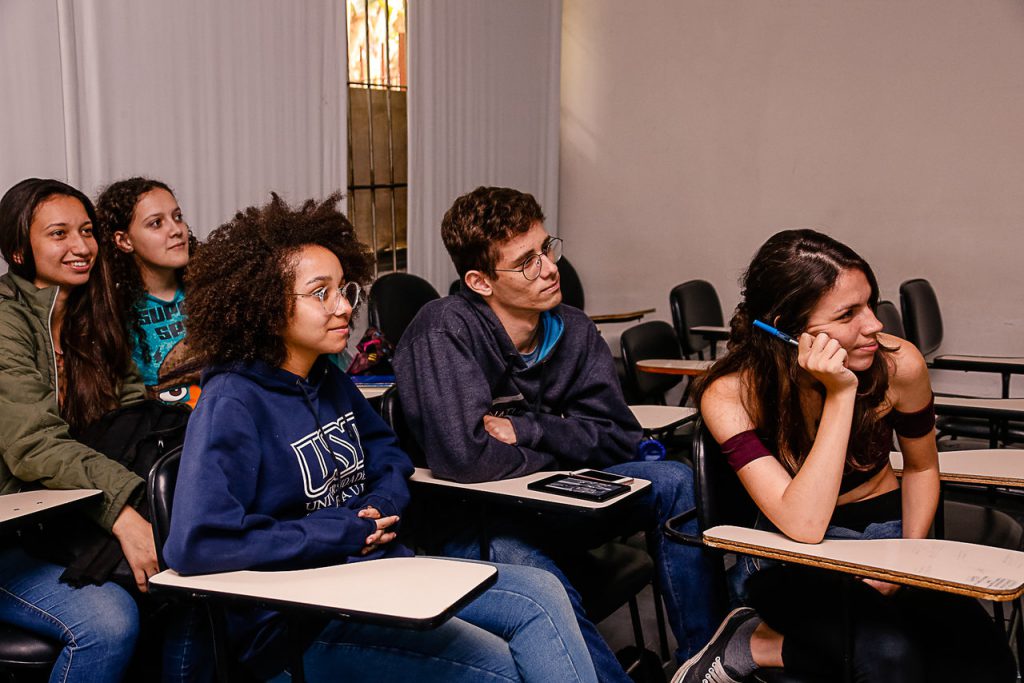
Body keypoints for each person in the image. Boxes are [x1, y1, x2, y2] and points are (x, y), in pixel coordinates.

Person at [163, 193, 598, 683]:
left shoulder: (327, 378)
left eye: (344, 289)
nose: (345, 306)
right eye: (320, 293)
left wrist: (382, 500)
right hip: (298, 626)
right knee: (500, 669)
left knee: (539, 593)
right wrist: (344, 530)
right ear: (266, 305)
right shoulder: (232, 402)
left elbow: (387, 453)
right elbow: (197, 544)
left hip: (374, 575)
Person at [392, 186, 718, 681]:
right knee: (532, 569)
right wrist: (567, 444)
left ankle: (707, 661)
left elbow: (619, 438)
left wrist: (527, 430)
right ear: (480, 281)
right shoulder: (443, 330)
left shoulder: (574, 329)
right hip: (477, 523)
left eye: (547, 249)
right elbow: (467, 462)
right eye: (526, 262)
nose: (548, 268)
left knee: (673, 479)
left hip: (558, 500)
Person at [673, 229, 1015, 683]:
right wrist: (840, 395)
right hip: (791, 552)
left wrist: (906, 562)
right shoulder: (730, 395)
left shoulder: (899, 365)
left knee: (986, 665)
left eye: (870, 304)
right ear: (785, 327)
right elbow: (805, 525)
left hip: (890, 535)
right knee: (889, 660)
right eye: (848, 314)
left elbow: (921, 466)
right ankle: (752, 638)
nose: (873, 325)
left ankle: (765, 644)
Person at [0, 178, 157, 682]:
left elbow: (134, 418)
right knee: (106, 622)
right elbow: (34, 446)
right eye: (59, 233)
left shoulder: (94, 314)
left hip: (64, 526)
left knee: (189, 584)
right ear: (19, 248)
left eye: (86, 231)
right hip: (9, 538)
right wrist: (123, 517)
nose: (80, 246)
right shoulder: (5, 320)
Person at [95, 178, 201, 408]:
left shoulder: (211, 291)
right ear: (124, 240)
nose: (176, 230)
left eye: (177, 217)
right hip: (165, 432)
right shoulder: (111, 309)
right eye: (156, 223)